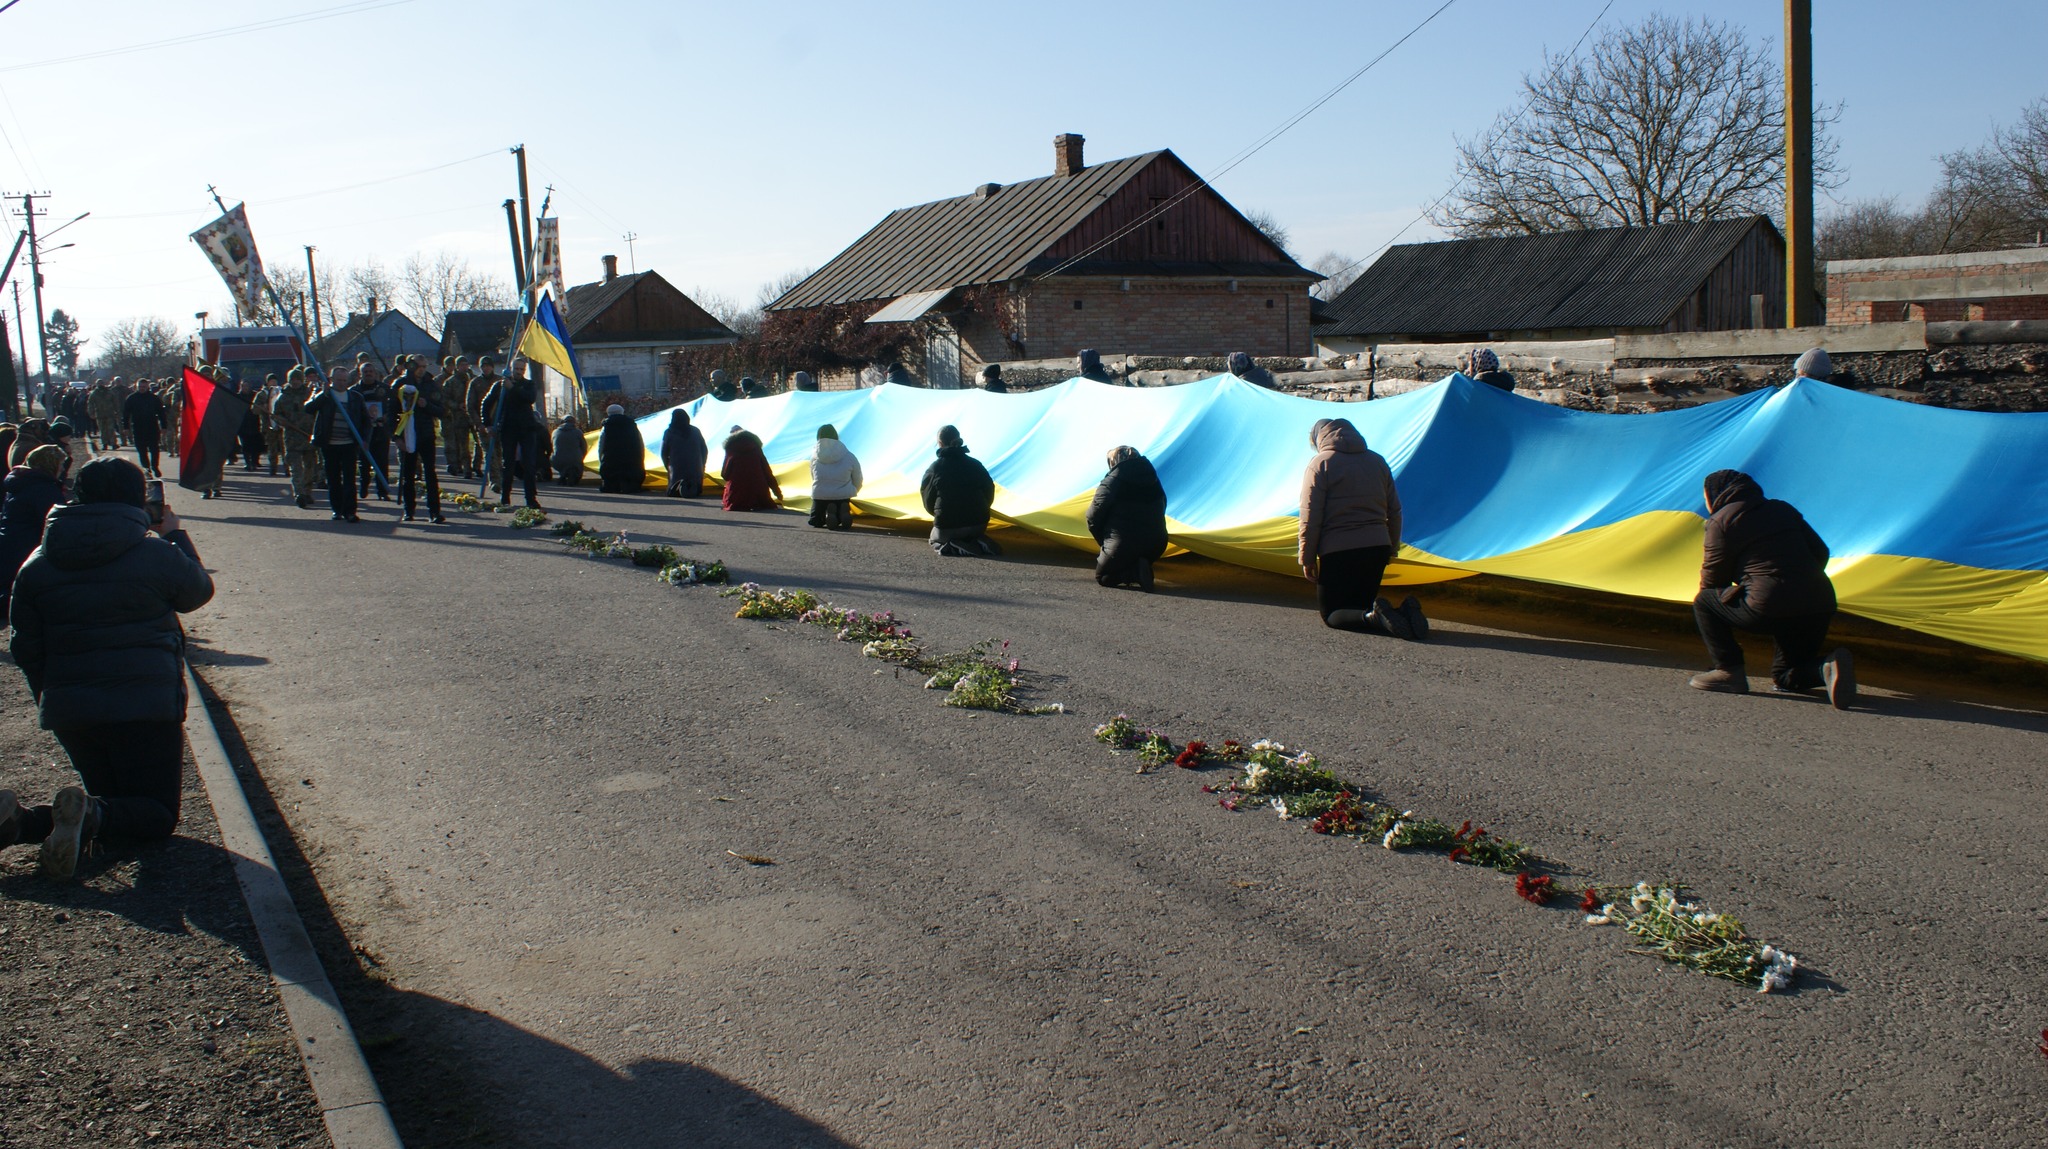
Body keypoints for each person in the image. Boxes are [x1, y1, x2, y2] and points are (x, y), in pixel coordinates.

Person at [0, 457, 214, 880]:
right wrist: (175, 536)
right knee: (154, 815)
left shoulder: (36, 565)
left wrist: (53, 698)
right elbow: (197, 591)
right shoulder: (154, 553)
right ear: (138, 500)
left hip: (73, 710)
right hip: (146, 706)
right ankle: (83, 816)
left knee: (113, 802)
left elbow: (26, 648)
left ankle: (21, 823)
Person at [1689, 469, 1854, 708]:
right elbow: (1821, 551)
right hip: (1819, 604)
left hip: (1769, 604)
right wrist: (1798, 582)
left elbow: (1713, 578)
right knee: (1785, 675)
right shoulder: (1782, 509)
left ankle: (1728, 672)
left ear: (1714, 494)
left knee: (1705, 600)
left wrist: (1733, 596)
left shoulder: (1721, 520)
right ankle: (1825, 668)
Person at [1298, 416, 1424, 639]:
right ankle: (1403, 611)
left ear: (1319, 438)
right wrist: (1391, 547)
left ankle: (1375, 617)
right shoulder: (1377, 461)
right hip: (1377, 546)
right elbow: (1394, 511)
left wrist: (1307, 558)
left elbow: (1311, 516)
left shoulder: (1321, 463)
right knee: (1361, 605)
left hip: (1338, 551)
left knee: (1333, 615)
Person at [1087, 445, 1168, 591]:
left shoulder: (1111, 482)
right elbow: (1163, 505)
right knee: (1127, 553)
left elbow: (1093, 517)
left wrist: (1104, 542)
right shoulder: (1153, 479)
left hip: (1121, 544)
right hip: (1157, 544)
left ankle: (1133, 572)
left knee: (1104, 577)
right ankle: (1140, 565)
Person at [0, 445, 68, 615]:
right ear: (50, 465)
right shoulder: (43, 488)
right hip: (27, 546)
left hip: (11, 544)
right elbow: (54, 523)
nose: (62, 469)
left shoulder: (23, 482)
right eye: (60, 464)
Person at [920, 424, 999, 556]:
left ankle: (953, 545)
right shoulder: (976, 464)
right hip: (979, 524)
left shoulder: (935, 468)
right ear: (958, 439)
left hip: (948, 526)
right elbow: (989, 492)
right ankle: (977, 541)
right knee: (971, 532)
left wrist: (939, 515)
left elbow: (927, 500)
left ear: (939, 443)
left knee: (934, 537)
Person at [304, 367, 368, 523]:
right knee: (333, 479)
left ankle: (350, 511)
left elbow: (366, 421)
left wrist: (365, 439)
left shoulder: (355, 397)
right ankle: (337, 510)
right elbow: (309, 408)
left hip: (349, 444)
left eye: (344, 380)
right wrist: (324, 394)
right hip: (330, 444)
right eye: (339, 380)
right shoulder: (325, 396)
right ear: (332, 380)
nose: (342, 383)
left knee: (349, 479)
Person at [393, 373, 445, 524]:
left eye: (423, 367)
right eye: (418, 367)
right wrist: (396, 437)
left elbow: (441, 410)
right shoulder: (400, 384)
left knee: (430, 473)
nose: (420, 370)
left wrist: (426, 405)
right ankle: (409, 510)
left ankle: (434, 511)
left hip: (426, 435)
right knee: (408, 475)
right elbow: (392, 412)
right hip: (407, 436)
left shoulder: (431, 385)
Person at [272, 368, 319, 509]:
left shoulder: (310, 394)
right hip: (292, 438)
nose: (295, 382)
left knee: (310, 467)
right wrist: (282, 421)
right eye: (293, 379)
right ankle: (299, 493)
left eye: (298, 379)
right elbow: (275, 415)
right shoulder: (283, 397)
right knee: (296, 468)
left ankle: (307, 491)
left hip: (308, 436)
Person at [807, 424, 862, 530]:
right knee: (840, 502)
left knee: (815, 521)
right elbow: (857, 477)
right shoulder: (849, 455)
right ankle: (841, 512)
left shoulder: (814, 457)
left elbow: (813, 476)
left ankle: (827, 513)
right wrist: (854, 489)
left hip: (820, 494)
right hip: (842, 493)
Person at [354, 364, 393, 500]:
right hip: (363, 433)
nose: (368, 374)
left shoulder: (384, 389)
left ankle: (382, 491)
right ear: (360, 374)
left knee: (382, 462)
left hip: (381, 431)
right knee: (364, 463)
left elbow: (392, 406)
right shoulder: (354, 391)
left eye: (371, 371)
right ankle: (364, 486)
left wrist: (387, 417)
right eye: (365, 372)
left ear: (375, 373)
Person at [719, 426, 781, 511]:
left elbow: (725, 474)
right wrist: (777, 493)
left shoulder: (731, 447)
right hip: (760, 496)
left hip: (737, 497)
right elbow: (767, 471)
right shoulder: (756, 446)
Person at [596, 404, 646, 493]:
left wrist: (601, 460)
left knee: (611, 478)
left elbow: (601, 445)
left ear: (608, 413)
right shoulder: (632, 425)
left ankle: (612, 487)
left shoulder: (606, 426)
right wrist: (641, 458)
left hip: (611, 458)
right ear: (622, 412)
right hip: (631, 458)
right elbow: (640, 443)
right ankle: (631, 486)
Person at [124, 382, 169, 478]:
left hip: (152, 427)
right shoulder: (132, 398)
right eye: (140, 387)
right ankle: (146, 468)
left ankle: (155, 466)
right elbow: (126, 414)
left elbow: (161, 413)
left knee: (154, 449)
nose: (142, 388)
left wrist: (164, 426)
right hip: (138, 427)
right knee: (141, 449)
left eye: (144, 387)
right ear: (137, 387)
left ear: (147, 387)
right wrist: (126, 427)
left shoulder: (154, 398)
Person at [660, 409, 707, 498]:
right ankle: (693, 489)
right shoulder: (695, 431)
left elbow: (663, 453)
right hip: (696, 469)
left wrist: (668, 466)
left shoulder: (669, 432)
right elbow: (704, 449)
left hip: (676, 471)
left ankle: (676, 488)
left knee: (674, 487)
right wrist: (702, 464)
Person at [441, 357, 474, 478]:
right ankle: (465, 468)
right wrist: (457, 406)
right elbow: (445, 399)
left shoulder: (473, 380)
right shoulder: (450, 382)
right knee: (462, 444)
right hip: (458, 417)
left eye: (466, 364)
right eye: (461, 365)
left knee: (479, 444)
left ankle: (476, 466)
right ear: (457, 366)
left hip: (473, 416)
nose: (464, 367)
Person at [551, 414, 586, 486]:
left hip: (557, 459)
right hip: (575, 459)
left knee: (561, 461)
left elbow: (552, 445)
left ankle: (563, 475)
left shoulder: (555, 432)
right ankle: (572, 476)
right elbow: (584, 446)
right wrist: (581, 456)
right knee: (576, 465)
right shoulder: (578, 432)